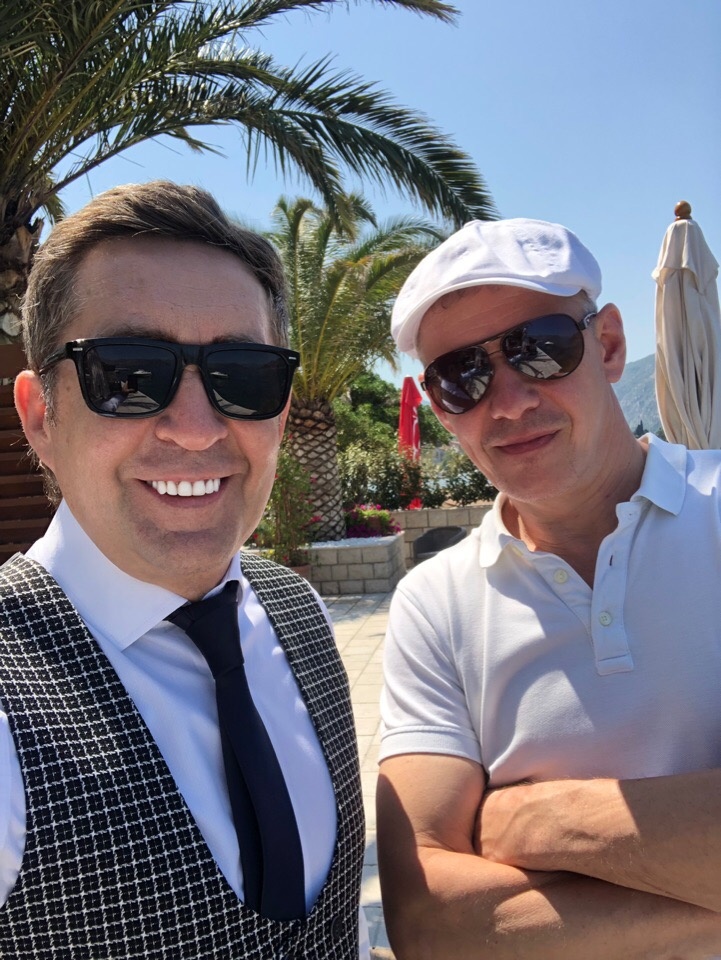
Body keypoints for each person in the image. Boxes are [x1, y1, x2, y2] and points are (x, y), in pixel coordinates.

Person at [2, 181, 369, 958]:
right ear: (40, 416)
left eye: (244, 375)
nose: (198, 430)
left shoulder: (298, 612)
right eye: (129, 375)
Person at [376, 218, 721, 958]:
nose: (506, 401)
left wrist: (537, 820)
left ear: (608, 345)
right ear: (438, 406)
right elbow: (428, 923)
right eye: (461, 376)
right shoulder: (433, 604)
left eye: (540, 348)